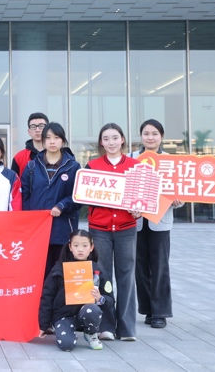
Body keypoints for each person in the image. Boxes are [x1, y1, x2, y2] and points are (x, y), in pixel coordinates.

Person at [85, 122, 140, 341]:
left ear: (122, 139)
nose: (111, 142)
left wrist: (139, 210)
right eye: (106, 139)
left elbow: (143, 197)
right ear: (101, 142)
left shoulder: (136, 167)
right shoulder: (92, 166)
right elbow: (84, 196)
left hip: (126, 228)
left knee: (126, 275)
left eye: (115, 138)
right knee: (103, 276)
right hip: (100, 230)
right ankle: (105, 325)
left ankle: (127, 328)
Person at [128, 119, 183, 329]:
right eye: (146, 133)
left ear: (161, 136)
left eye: (154, 134)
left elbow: (181, 190)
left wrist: (178, 201)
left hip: (160, 222)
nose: (150, 137)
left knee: (160, 267)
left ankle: (160, 312)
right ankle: (148, 310)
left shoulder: (171, 161)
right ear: (141, 136)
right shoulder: (131, 158)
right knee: (140, 268)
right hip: (136, 222)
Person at [21, 122, 81, 279]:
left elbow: (78, 196)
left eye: (56, 137)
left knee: (62, 274)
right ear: (43, 141)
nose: (52, 141)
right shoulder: (32, 166)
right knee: (38, 273)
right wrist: (29, 218)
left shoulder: (73, 167)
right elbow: (24, 195)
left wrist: (62, 205)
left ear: (63, 140)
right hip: (37, 230)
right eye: (48, 138)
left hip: (62, 229)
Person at [38, 230, 114, 352]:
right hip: (63, 315)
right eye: (76, 245)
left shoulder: (97, 271)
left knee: (92, 309)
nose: (80, 249)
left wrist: (100, 298)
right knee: (66, 345)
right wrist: (44, 325)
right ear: (70, 247)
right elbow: (47, 296)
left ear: (91, 247)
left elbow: (110, 299)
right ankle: (67, 332)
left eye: (84, 245)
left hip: (85, 314)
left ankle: (91, 333)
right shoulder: (59, 269)